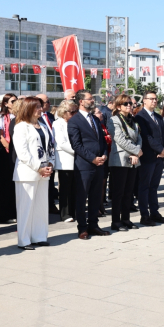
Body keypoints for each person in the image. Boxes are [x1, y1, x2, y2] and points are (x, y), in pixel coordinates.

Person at [12, 97, 55, 250]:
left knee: (41, 207)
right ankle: (24, 240)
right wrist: (38, 167)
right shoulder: (21, 127)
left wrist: (51, 164)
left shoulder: (43, 126)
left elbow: (50, 147)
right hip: (27, 172)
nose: (40, 109)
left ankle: (39, 236)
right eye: (36, 106)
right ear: (28, 108)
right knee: (26, 208)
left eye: (40, 106)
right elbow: (22, 153)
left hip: (44, 171)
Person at [68, 90, 110, 239]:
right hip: (84, 166)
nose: (93, 101)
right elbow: (76, 145)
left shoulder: (95, 119)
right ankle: (82, 228)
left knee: (96, 196)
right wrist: (92, 158)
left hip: (99, 164)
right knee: (82, 197)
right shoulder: (74, 121)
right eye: (90, 99)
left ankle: (93, 225)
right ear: (81, 101)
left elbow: (102, 140)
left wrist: (104, 154)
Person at [106, 94, 143, 231]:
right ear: (118, 106)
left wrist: (136, 152)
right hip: (120, 160)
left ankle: (126, 219)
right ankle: (116, 221)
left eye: (130, 103)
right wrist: (136, 151)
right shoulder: (114, 120)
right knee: (118, 192)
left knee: (129, 192)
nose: (129, 106)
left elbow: (139, 137)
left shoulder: (133, 119)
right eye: (125, 104)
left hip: (134, 158)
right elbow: (120, 140)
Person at [134, 91, 164, 226]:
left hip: (159, 157)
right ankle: (144, 215)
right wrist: (160, 149)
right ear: (144, 100)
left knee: (154, 186)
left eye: (155, 99)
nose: (154, 101)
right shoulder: (140, 117)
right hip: (148, 157)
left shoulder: (158, 117)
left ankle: (155, 212)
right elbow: (146, 137)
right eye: (151, 99)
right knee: (144, 186)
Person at [0, 94, 17, 224]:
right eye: (12, 101)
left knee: (14, 184)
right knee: (4, 184)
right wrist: (9, 147)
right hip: (5, 152)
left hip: (16, 153)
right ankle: (5, 215)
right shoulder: (1, 116)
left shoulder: (19, 116)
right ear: (6, 104)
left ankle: (15, 212)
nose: (15, 103)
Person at [53, 99, 78, 222]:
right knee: (65, 188)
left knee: (75, 188)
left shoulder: (76, 122)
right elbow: (61, 143)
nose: (74, 114)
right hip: (65, 159)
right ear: (63, 112)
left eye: (75, 111)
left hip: (78, 159)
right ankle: (66, 214)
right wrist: (79, 151)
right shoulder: (57, 124)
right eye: (71, 112)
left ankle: (74, 211)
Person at [36, 94, 58, 213]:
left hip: (51, 152)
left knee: (50, 180)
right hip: (40, 155)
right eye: (46, 102)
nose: (49, 104)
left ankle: (50, 204)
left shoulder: (49, 115)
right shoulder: (36, 118)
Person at [93, 106, 111, 216]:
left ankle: (101, 206)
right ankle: (96, 207)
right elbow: (106, 138)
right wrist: (108, 138)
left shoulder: (102, 125)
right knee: (96, 186)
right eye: (98, 112)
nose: (101, 114)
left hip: (105, 157)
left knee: (103, 184)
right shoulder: (94, 125)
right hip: (95, 159)